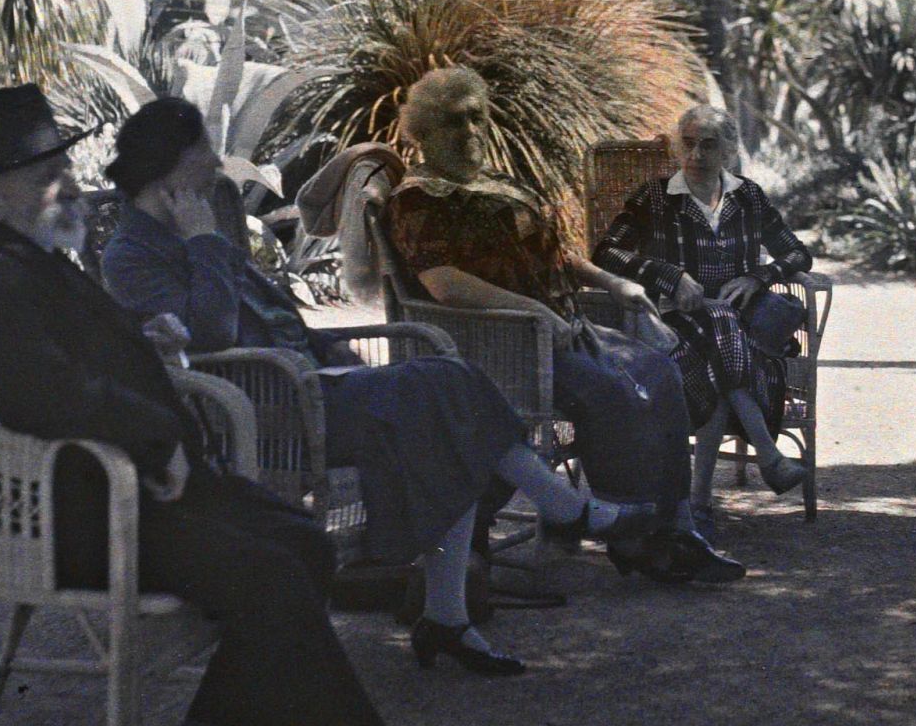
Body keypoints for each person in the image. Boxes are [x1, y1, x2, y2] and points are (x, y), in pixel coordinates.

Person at [0, 86, 399, 726]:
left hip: (114, 486)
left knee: (307, 543)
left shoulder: (25, 253)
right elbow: (49, 393)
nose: (69, 182)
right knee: (270, 571)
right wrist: (155, 442)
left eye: (64, 164)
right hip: (73, 511)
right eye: (46, 174)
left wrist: (141, 340)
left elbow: (66, 359)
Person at [98, 98, 656, 678]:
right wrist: (203, 243)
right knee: (448, 387)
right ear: (170, 169)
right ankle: (567, 513)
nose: (216, 165)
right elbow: (207, 336)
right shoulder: (133, 254)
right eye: (203, 154)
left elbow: (278, 318)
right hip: (269, 413)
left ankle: (449, 619)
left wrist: (334, 355)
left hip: (315, 386)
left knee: (450, 416)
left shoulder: (197, 226)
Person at [383, 66, 746, 586]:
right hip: (500, 345)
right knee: (619, 393)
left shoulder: (500, 182)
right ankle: (633, 538)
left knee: (662, 373)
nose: (469, 133)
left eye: (476, 119)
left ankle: (678, 527)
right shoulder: (419, 197)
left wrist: (612, 281)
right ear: (422, 132)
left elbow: (558, 254)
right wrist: (531, 310)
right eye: (451, 123)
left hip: (564, 328)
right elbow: (443, 283)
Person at [593, 105, 812, 524]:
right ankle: (769, 457)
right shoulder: (655, 197)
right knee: (718, 322)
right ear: (678, 147)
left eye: (708, 145)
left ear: (727, 150)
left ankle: (698, 502)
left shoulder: (747, 197)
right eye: (688, 144)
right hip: (671, 325)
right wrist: (669, 276)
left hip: (737, 334)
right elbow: (606, 252)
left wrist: (757, 277)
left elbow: (797, 252)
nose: (696, 155)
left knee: (719, 329)